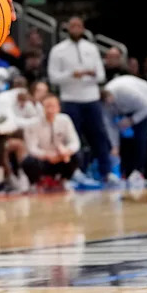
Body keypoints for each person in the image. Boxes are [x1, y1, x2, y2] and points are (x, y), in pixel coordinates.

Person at [47, 17, 115, 186]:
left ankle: (107, 172)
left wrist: (89, 74)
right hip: (70, 99)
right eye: (73, 26)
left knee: (99, 136)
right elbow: (53, 77)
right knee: (71, 138)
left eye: (79, 26)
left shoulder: (91, 48)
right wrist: (72, 75)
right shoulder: (58, 50)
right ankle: (74, 173)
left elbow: (101, 75)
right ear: (67, 28)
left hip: (91, 98)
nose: (76, 29)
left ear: (83, 28)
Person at [103, 74, 147, 188]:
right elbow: (110, 126)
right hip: (125, 109)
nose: (109, 105)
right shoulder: (104, 105)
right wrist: (115, 146)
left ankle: (139, 171)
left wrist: (132, 120)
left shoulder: (125, 92)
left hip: (145, 103)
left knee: (140, 138)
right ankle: (126, 171)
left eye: (109, 102)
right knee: (124, 140)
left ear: (111, 95)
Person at [22, 95, 81, 191]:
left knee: (77, 155)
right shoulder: (32, 124)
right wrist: (46, 155)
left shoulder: (65, 119)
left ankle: (64, 180)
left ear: (58, 108)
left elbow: (75, 142)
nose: (50, 110)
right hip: (43, 159)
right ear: (41, 108)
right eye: (47, 106)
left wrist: (66, 151)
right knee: (28, 161)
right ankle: (36, 183)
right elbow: (32, 148)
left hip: (61, 157)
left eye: (53, 106)